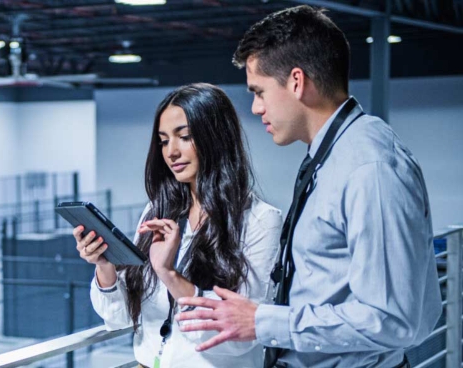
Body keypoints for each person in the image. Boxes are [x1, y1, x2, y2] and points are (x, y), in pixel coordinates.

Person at [176, 6, 441, 368]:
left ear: (297, 82)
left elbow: (393, 319)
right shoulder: (334, 155)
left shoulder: (369, 168)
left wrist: (263, 322)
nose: (255, 108)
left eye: (259, 92)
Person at [73, 83, 282, 367]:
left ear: (216, 138)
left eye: (184, 137)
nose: (171, 152)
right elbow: (119, 317)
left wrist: (169, 274)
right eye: (163, 140)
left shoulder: (260, 220)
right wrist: (105, 266)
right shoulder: (158, 211)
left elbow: (240, 338)